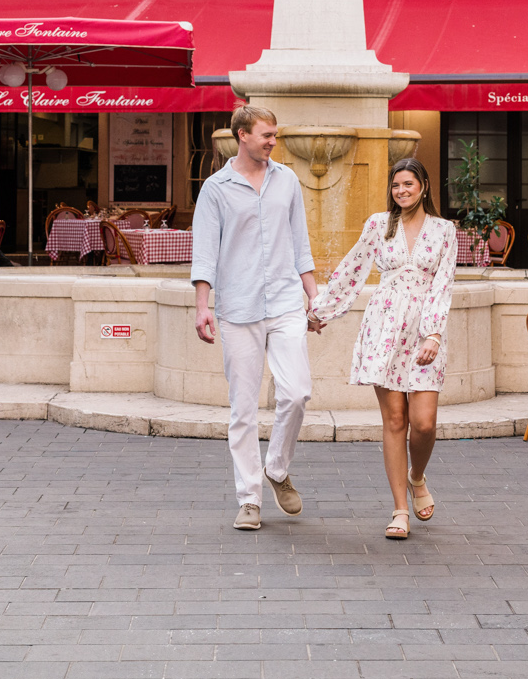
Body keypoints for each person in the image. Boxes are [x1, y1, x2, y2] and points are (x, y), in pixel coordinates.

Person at [308, 157, 456, 541]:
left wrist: (434, 335)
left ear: (423, 185)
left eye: (408, 184)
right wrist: (321, 311)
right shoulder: (378, 224)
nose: (402, 191)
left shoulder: (444, 230)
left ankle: (417, 476)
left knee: (423, 422)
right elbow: (352, 269)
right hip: (384, 328)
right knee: (394, 421)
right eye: (396, 186)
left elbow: (443, 285)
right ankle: (400, 509)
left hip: (424, 332)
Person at [190, 105, 315, 531]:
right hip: (238, 308)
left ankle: (276, 468)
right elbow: (205, 252)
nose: (273, 142)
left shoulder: (288, 181)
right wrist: (202, 306)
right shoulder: (215, 188)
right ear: (242, 135)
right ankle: (249, 498)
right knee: (243, 409)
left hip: (284, 302)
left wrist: (314, 296)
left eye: (276, 135)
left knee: (296, 392)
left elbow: (301, 243)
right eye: (266, 135)